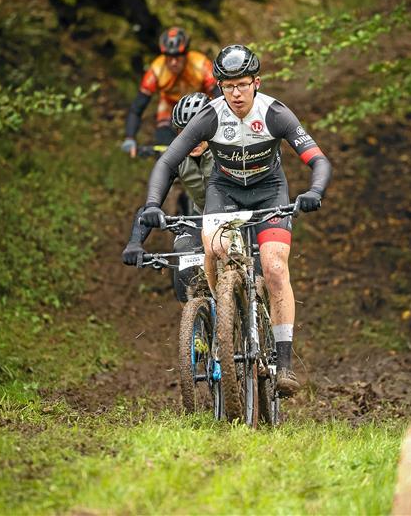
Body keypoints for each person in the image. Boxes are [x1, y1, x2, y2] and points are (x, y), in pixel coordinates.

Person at [139, 44, 331, 397]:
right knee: (213, 248)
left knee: (273, 267)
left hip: (269, 191)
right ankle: (223, 322)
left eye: (242, 85)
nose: (236, 93)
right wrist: (153, 203)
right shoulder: (210, 116)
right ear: (220, 87)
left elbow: (318, 159)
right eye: (228, 86)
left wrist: (314, 192)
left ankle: (283, 363)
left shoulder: (275, 113)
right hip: (224, 192)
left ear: (256, 82)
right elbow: (167, 163)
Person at [121, 92, 214, 302]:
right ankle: (195, 326)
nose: (194, 138)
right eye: (186, 132)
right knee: (182, 260)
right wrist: (135, 242)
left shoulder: (226, 150)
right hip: (200, 219)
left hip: (238, 216)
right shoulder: (176, 158)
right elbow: (150, 206)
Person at [121, 27, 218, 157]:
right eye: (169, 57)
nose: (173, 62)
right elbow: (137, 108)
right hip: (170, 108)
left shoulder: (200, 64)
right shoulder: (156, 70)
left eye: (178, 57)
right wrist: (130, 137)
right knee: (165, 150)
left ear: (186, 54)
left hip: (200, 106)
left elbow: (220, 95)